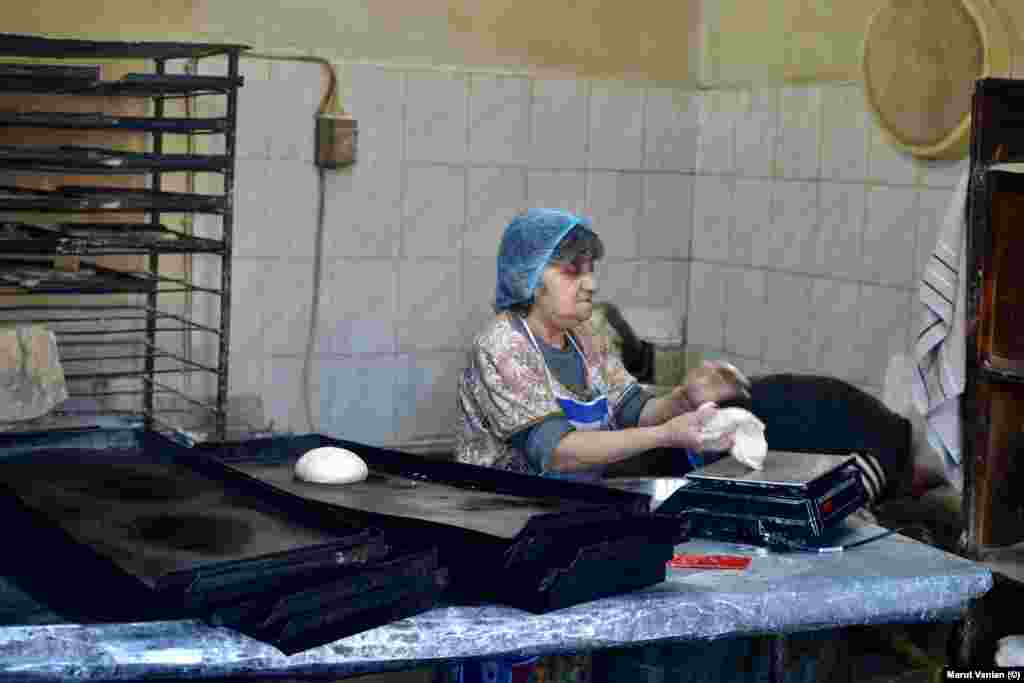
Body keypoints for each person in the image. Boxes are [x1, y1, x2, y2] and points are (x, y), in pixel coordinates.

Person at [456, 208, 751, 481]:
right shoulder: (502, 346)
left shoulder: (585, 335)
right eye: (573, 271)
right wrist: (665, 435)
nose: (591, 284)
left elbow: (631, 409)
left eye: (590, 269)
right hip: (501, 516)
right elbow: (557, 452)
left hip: (570, 506)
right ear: (529, 279)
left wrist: (684, 398)